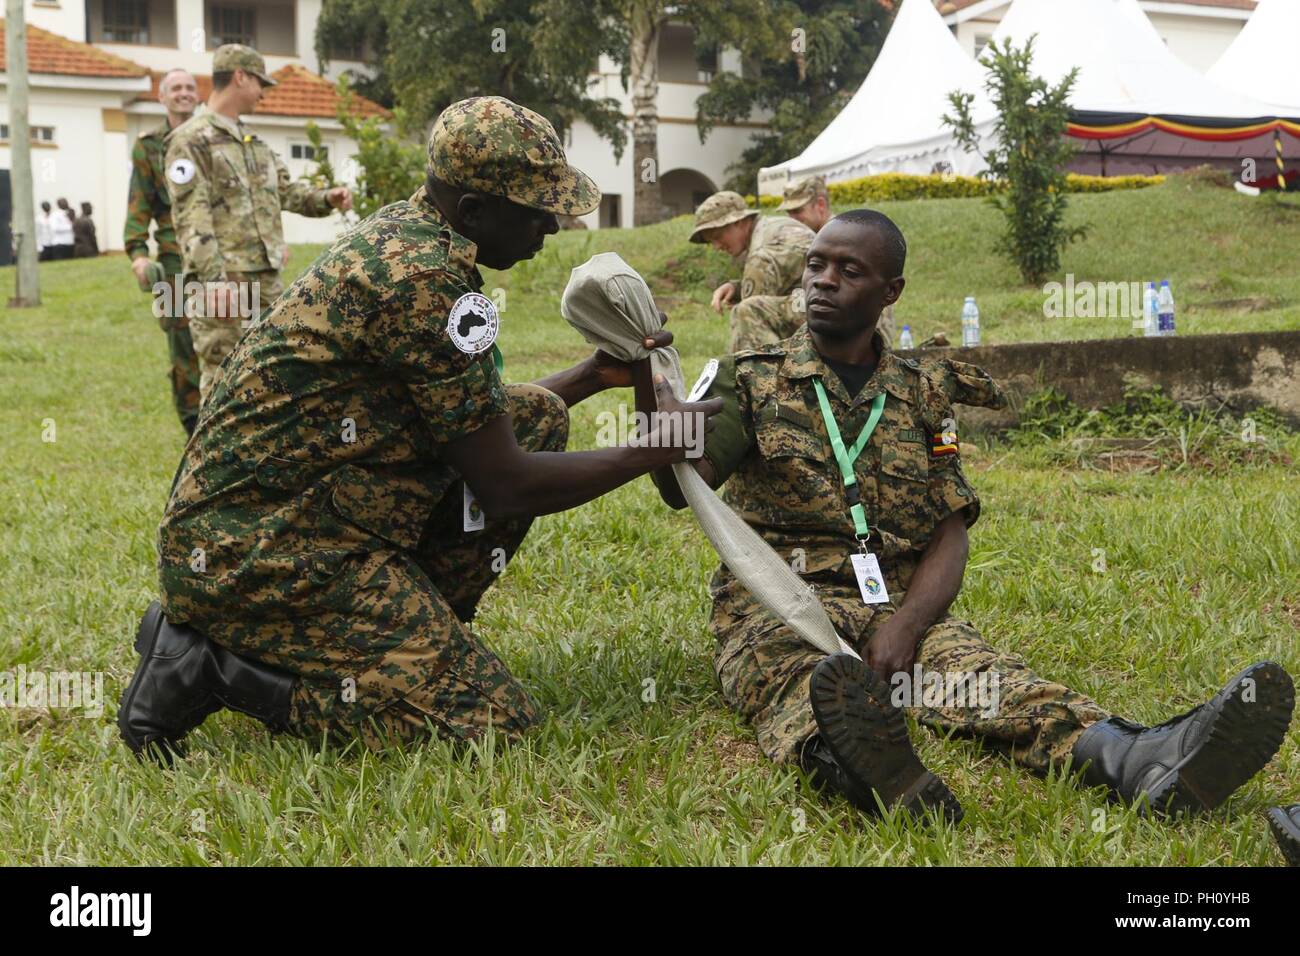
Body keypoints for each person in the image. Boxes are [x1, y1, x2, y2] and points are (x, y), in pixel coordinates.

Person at [117, 95, 722, 762]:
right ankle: (214, 671)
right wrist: (654, 447)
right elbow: (507, 486)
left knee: (538, 416)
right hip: (254, 553)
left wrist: (588, 377)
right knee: (490, 725)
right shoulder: (422, 279)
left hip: (303, 509)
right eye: (536, 208)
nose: (552, 225)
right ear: (473, 210)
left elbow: (473, 424)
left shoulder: (414, 236)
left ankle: (411, 635)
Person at [641, 208, 1295, 823]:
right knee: (803, 684)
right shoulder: (747, 380)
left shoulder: (923, 393)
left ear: (890, 291)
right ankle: (873, 776)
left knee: (987, 681)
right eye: (816, 265)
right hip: (780, 595)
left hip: (897, 596)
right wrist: (659, 413)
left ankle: (1139, 761)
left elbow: (949, 531)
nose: (824, 281)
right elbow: (683, 490)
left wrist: (907, 626)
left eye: (849, 270)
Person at [165, 44, 351, 402]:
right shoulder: (190, 142)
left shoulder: (254, 145)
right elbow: (193, 216)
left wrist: (327, 198)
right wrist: (214, 281)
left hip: (266, 282)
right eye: (260, 83)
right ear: (240, 77)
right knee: (224, 383)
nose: (264, 94)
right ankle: (213, 458)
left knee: (268, 379)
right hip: (224, 283)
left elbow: (286, 193)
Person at [125, 67, 203, 436]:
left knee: (234, 337)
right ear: (162, 97)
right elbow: (138, 202)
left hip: (222, 257)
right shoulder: (148, 145)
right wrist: (138, 252)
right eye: (175, 88)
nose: (183, 93)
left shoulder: (214, 138)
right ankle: (193, 430)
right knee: (182, 345)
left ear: (199, 95)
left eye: (189, 87)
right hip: (174, 259)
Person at [689, 191, 814, 353]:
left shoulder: (761, 256)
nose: (717, 246)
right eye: (710, 241)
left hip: (823, 317)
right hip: (827, 306)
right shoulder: (776, 226)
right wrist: (737, 288)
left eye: (718, 236)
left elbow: (752, 320)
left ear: (739, 222)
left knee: (745, 314)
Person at [779, 175, 894, 345]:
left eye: (798, 211)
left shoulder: (851, 238)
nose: (792, 219)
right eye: (789, 213)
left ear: (820, 205)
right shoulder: (811, 237)